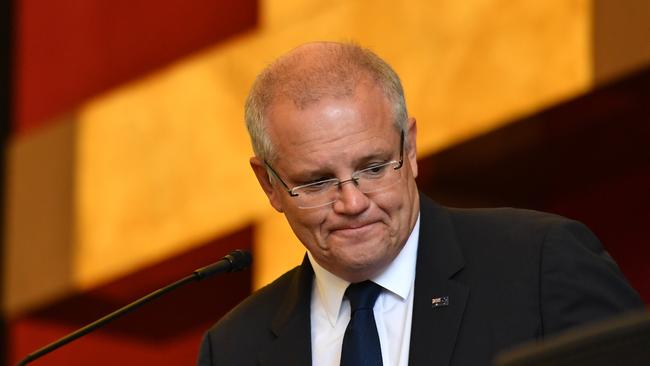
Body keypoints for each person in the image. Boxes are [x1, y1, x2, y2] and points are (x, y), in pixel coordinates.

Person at [197, 42, 644, 366]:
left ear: (410, 149)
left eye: (373, 168)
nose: (352, 202)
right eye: (316, 182)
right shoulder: (235, 349)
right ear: (269, 184)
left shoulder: (540, 265)